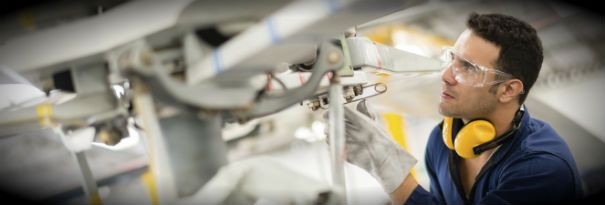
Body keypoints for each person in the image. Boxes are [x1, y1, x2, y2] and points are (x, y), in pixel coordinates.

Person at [339, 13, 583, 204]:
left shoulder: (542, 168)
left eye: (468, 67)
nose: (446, 75)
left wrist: (388, 168)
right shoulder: (441, 142)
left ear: (508, 90)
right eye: (452, 58)